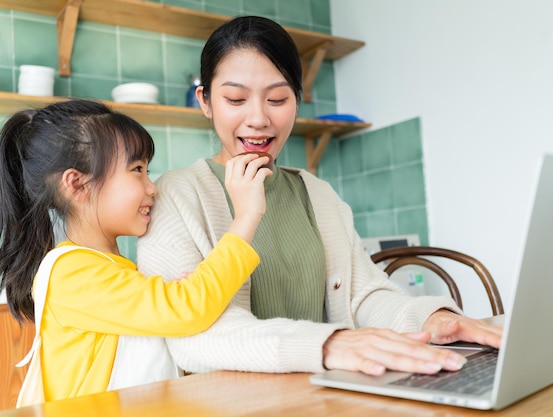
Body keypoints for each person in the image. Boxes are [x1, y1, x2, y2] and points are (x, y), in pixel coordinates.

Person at [137, 16, 502, 377]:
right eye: (235, 99)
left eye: (278, 99)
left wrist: (434, 319)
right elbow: (190, 335)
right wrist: (328, 344)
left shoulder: (318, 193)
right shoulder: (175, 196)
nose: (259, 118)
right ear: (206, 102)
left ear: (296, 101)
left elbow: (365, 296)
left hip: (322, 396)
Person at [0, 99, 271, 404]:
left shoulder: (107, 269)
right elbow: (186, 310)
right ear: (77, 185)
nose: (152, 187)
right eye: (137, 170)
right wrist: (246, 215)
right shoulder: (71, 273)